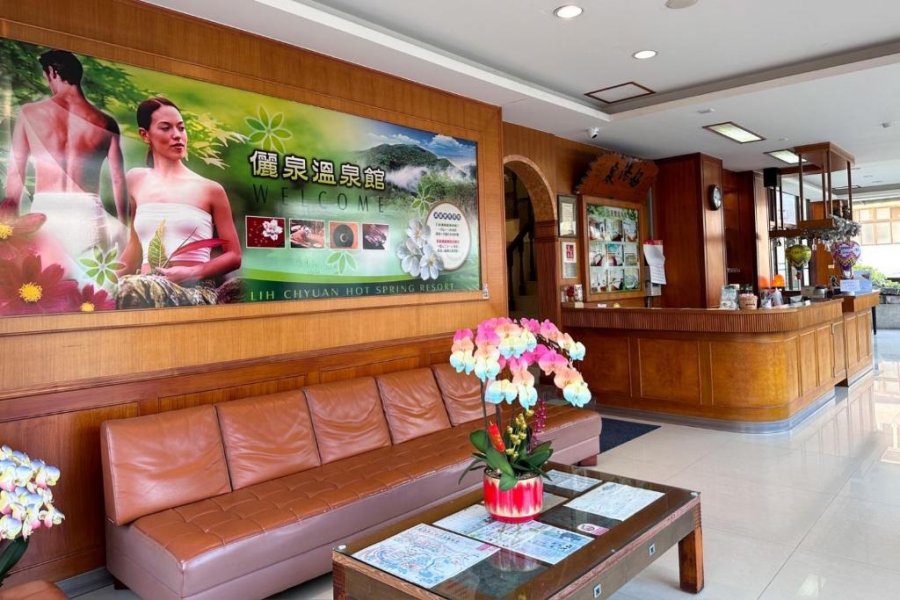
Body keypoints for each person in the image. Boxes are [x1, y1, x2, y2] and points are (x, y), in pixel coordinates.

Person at [2, 49, 127, 260]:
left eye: (46, 77)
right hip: (88, 213)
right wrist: (124, 226)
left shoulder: (29, 113)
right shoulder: (106, 123)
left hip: (46, 211)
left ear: (52, 72)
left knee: (46, 277)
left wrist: (8, 226)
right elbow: (118, 179)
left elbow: (16, 174)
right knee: (89, 279)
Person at [117, 97, 242, 307]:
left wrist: (191, 272)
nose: (177, 135)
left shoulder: (210, 189)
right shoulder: (135, 180)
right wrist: (98, 284)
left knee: (131, 287)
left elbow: (234, 256)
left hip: (193, 291)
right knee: (126, 289)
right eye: (166, 128)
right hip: (143, 289)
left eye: (181, 128)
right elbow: (134, 247)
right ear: (145, 135)